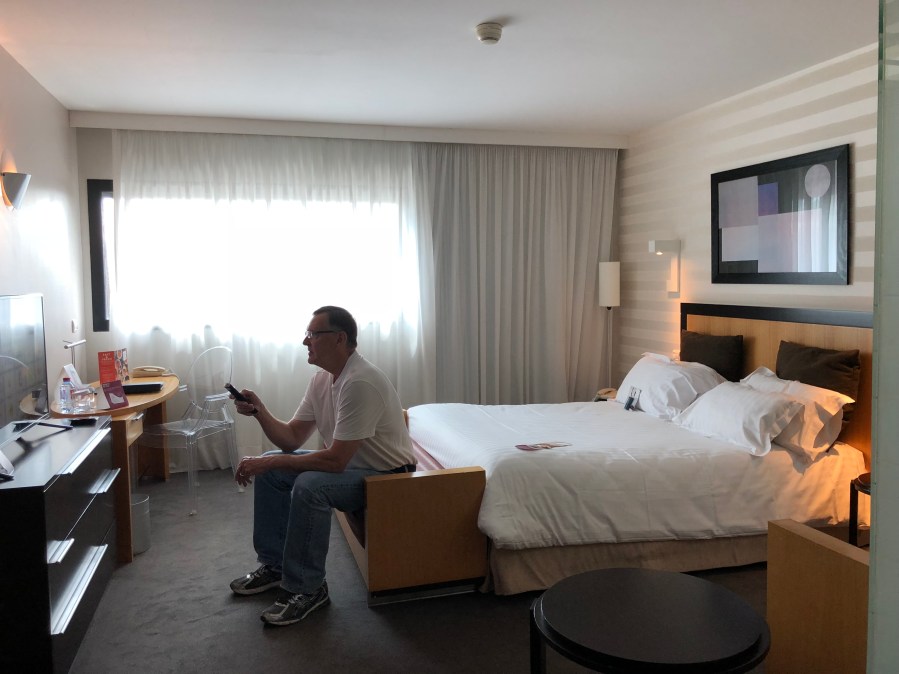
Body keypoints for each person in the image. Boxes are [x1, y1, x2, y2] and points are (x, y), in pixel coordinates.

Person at [228, 306, 415, 626]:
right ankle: (275, 566)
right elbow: (291, 439)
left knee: (309, 485)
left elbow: (335, 460)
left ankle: (309, 588)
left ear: (340, 339)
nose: (305, 341)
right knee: (273, 471)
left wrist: (268, 460)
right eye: (307, 334)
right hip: (352, 470)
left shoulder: (360, 381)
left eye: (313, 334)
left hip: (386, 477)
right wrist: (260, 412)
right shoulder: (321, 381)